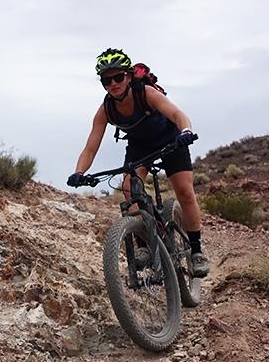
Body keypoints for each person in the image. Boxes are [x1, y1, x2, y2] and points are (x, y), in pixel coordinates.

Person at [67, 48, 210, 278]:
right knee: (128, 188)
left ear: (129, 76)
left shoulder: (146, 93)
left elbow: (176, 114)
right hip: (140, 146)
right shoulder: (106, 110)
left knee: (184, 191)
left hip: (170, 139)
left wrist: (186, 131)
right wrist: (79, 172)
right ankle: (144, 240)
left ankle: (196, 251)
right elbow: (90, 147)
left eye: (118, 77)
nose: (113, 83)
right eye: (106, 80)